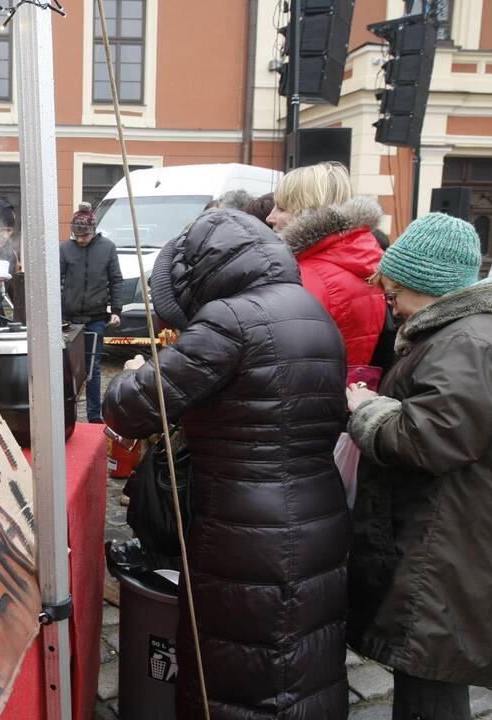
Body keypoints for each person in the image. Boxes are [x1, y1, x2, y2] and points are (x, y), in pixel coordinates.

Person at [104, 209, 350, 719]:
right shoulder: (310, 309)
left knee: (241, 670)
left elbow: (129, 409)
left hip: (247, 527)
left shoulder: (231, 319)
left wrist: (135, 373)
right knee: (303, 660)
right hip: (317, 511)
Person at [345, 213, 492, 720]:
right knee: (430, 667)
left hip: (449, 542)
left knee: (429, 671)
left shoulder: (469, 343)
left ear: (429, 286)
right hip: (458, 530)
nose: (389, 303)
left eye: (394, 292)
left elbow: (430, 438)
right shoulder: (474, 333)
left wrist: (368, 410)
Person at [268, 162, 387, 369]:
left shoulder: (308, 274)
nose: (270, 217)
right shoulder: (361, 254)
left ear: (307, 212)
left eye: (282, 208)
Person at [59, 202, 122, 423]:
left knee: (93, 369)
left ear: (93, 230)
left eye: (84, 235)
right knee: (68, 368)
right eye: (77, 235)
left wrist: (116, 310)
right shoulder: (64, 249)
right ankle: (68, 414)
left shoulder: (108, 247)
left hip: (96, 317)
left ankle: (94, 416)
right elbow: (56, 281)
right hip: (69, 318)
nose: (81, 239)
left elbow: (116, 279)